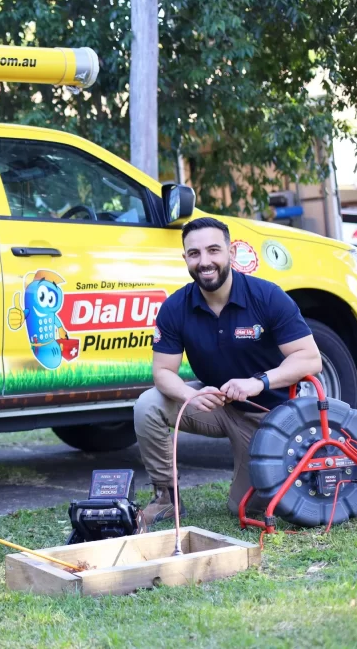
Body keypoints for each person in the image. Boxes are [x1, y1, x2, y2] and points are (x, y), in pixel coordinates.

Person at [134, 217, 323, 527]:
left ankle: (271, 472)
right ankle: (166, 498)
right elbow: (163, 372)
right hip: (216, 405)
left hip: (268, 415)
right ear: (185, 259)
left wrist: (257, 382)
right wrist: (190, 395)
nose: (204, 261)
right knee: (148, 404)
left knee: (246, 509)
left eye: (213, 250)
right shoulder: (175, 307)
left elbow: (309, 358)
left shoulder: (267, 296)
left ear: (231, 253)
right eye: (194, 254)